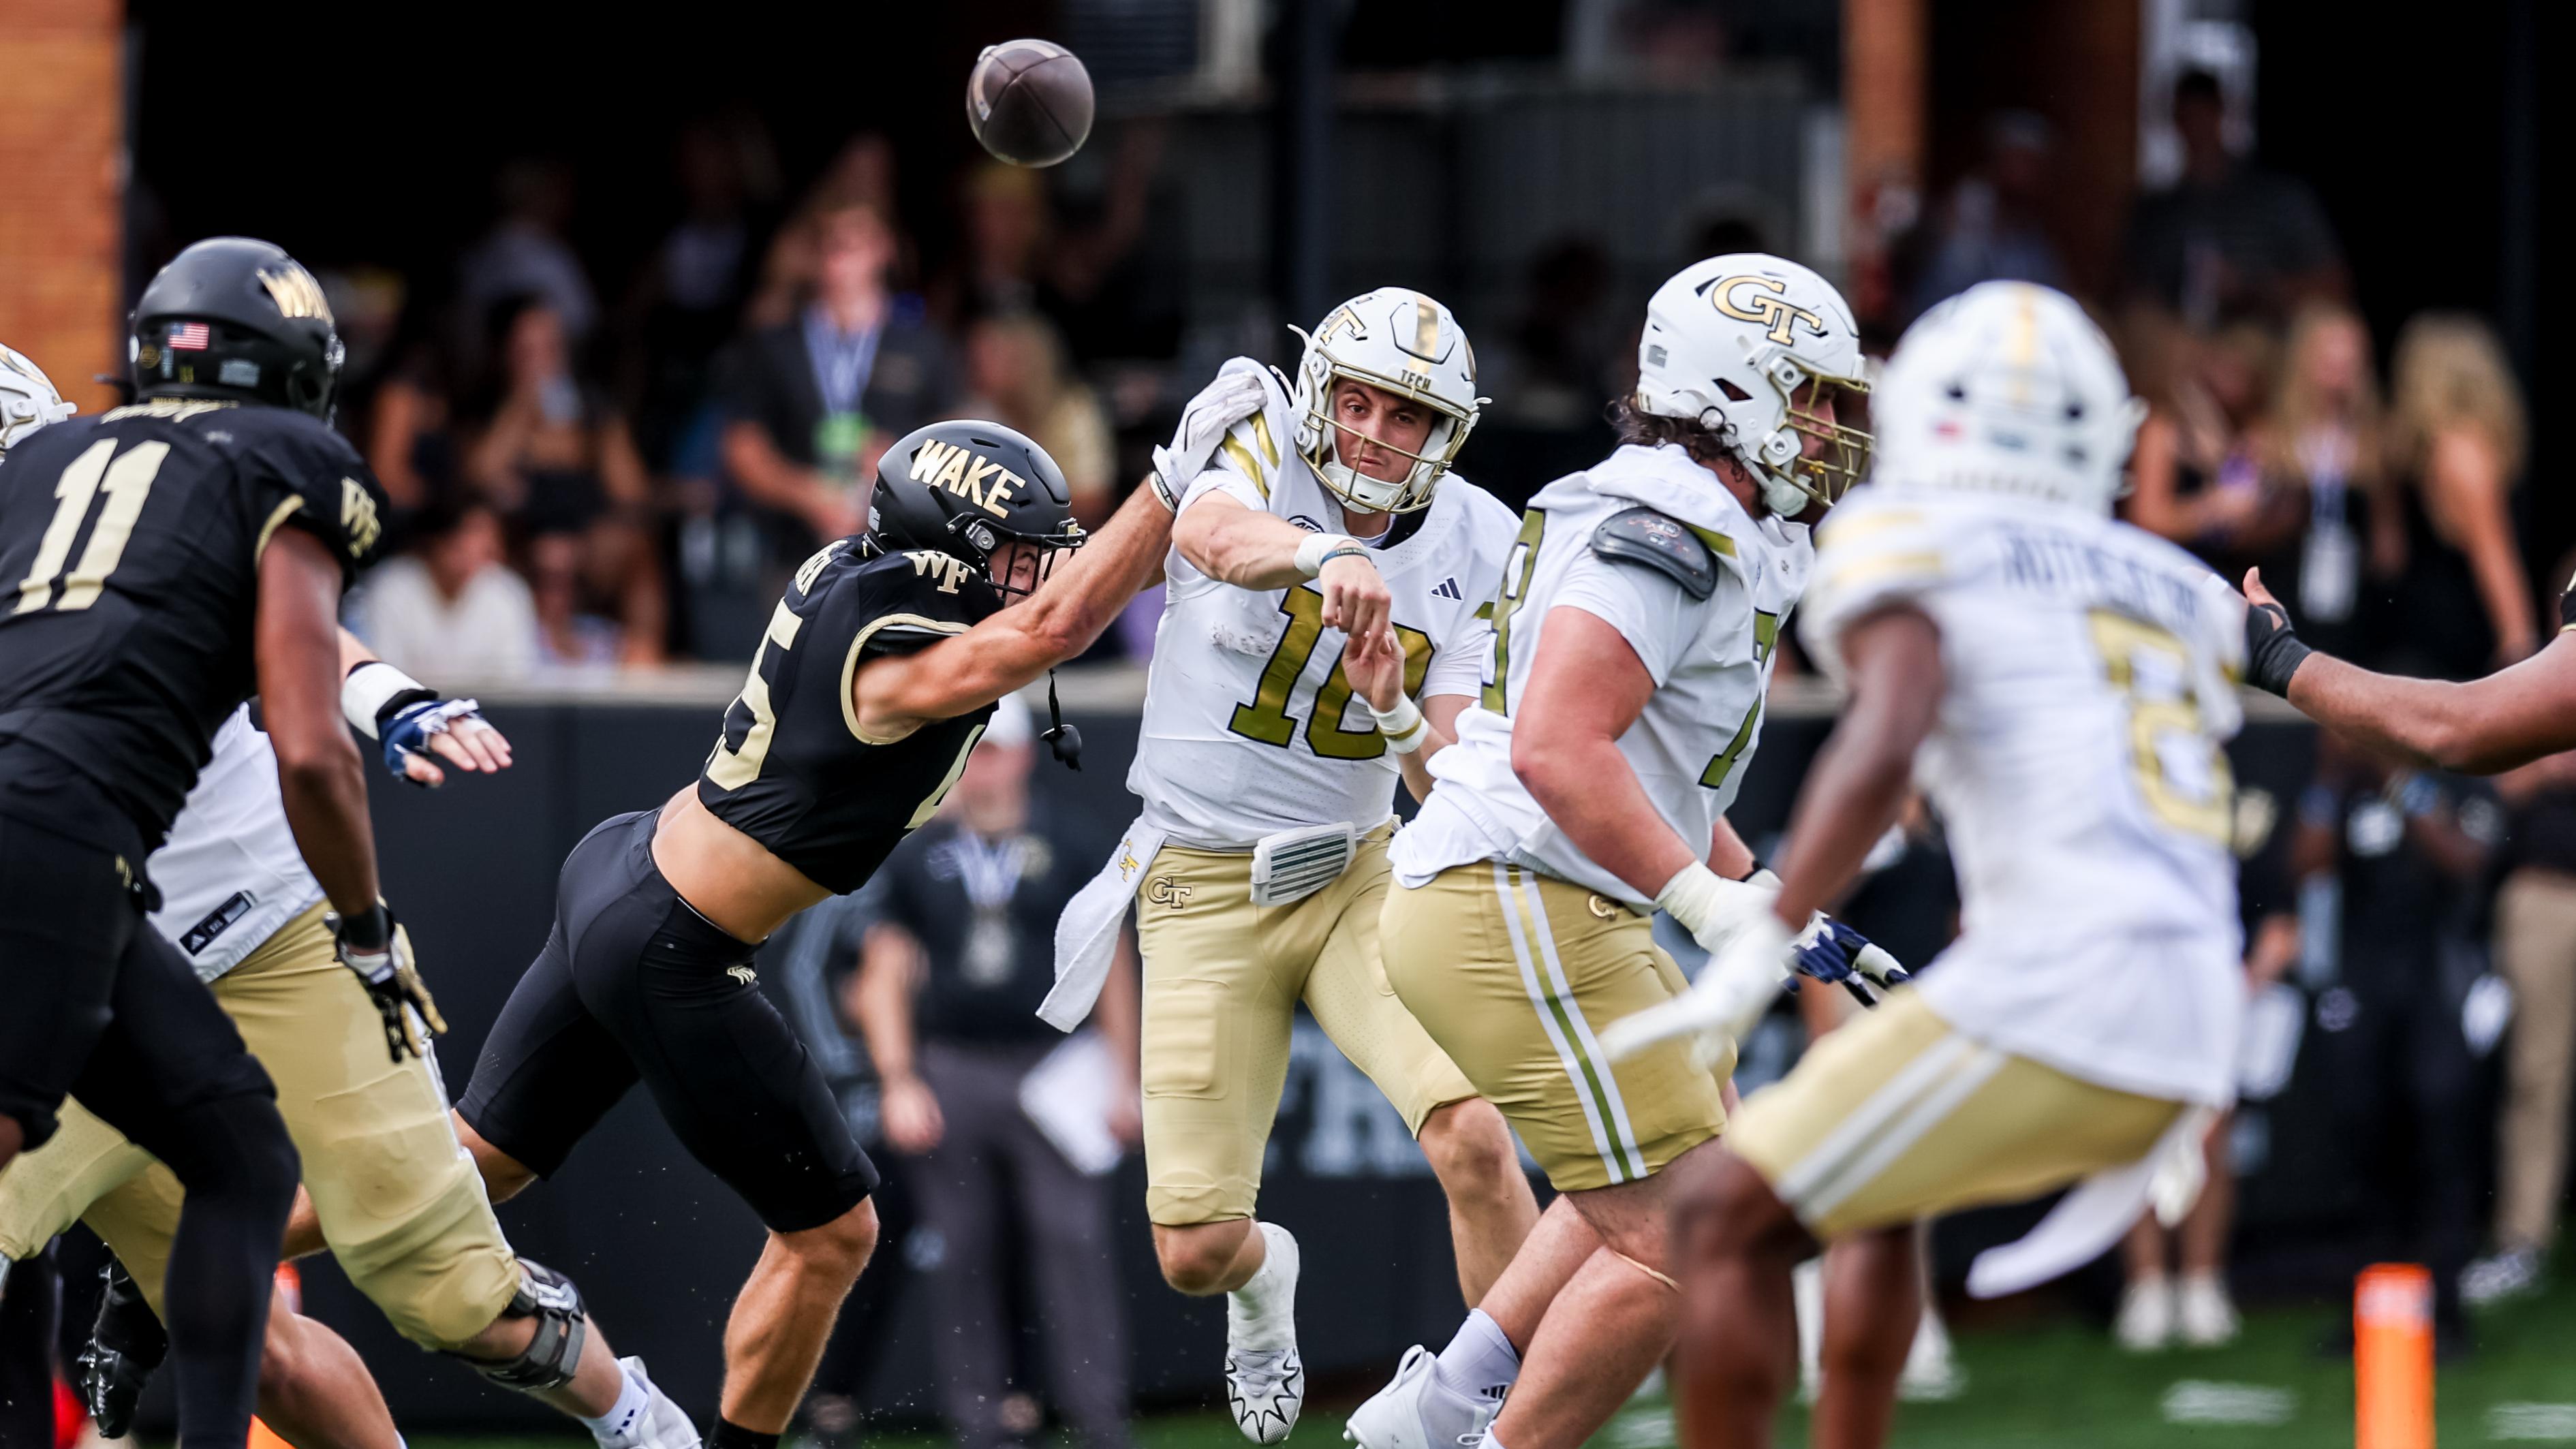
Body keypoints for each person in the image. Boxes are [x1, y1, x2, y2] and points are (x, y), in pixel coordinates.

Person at [450, 418, 1179, 1449]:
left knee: (472, 1166)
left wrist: (1180, 509)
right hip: (677, 937)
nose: (1038, 571)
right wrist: (1170, 481)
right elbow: (1056, 629)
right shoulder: (892, 651)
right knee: (836, 1234)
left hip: (627, 872)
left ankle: (191, 1254)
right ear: (947, 546)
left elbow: (1055, 605)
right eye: (1015, 552)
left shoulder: (864, 573)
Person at [1613, 282, 2246, 1449]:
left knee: (1718, 1215)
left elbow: (1887, 731)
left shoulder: (1915, 541)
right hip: (2185, 982)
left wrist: (1771, 928)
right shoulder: (2174, 584)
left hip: (2070, 984)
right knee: (1874, 1187)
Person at [1341, 255, 1884, 1449]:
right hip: (1514, 891)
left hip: (1546, 893)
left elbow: (1654, 768)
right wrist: (1699, 898)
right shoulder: (1667, 518)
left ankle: (1437, 1405)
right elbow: (1557, 749)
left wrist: (1764, 893)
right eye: (1812, 398)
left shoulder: (1702, 512)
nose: (1832, 427)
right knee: (1703, 1233)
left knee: (1695, 1169)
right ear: (1734, 390)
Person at [1045, 288, 1539, 1445]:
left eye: (1404, 415)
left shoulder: (1482, 542)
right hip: (1199, 884)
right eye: (1355, 401)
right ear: (1319, 392)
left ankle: (1503, 1416)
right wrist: (1322, 552)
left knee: (1473, 1130)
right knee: (1195, 1249)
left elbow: (1447, 780)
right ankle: (1268, 1284)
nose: (1370, 432)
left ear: (1447, 434)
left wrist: (1402, 716)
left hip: (1359, 877)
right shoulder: (1257, 428)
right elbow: (1207, 530)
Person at [0, 639, 696, 1448]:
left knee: (454, 1293)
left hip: (270, 937)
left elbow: (279, 610)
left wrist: (385, 697)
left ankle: (642, 1427)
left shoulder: (103, 526)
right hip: (68, 984)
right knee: (248, 1346)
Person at [0, 238, 392, 1449]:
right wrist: (368, 929)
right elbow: (312, 743)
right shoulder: (266, 463)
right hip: (55, 833)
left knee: (239, 1152)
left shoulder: (56, 472)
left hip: (83, 862)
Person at [848, 696, 1139, 1449]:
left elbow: (1110, 968)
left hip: (1053, 1063)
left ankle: (1098, 1419)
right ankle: (980, 1423)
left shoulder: (1072, 843)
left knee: (1071, 1239)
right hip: (954, 1064)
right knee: (962, 1244)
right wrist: (899, 1078)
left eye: (996, 749)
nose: (983, 765)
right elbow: (882, 972)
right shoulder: (918, 855)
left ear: (1023, 755)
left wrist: (1124, 1077)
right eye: (970, 750)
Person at [719, 202, 957, 562]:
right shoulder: (775, 345)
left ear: (885, 248)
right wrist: (805, 492)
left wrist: (906, 463)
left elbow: (962, 441)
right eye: (829, 242)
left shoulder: (923, 345)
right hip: (791, 550)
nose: (839, 256)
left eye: (854, 242)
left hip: (903, 551)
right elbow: (742, 446)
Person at [461, 294, 666, 666]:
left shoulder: (594, 412)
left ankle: (643, 662)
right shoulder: (490, 408)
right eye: (528, 351)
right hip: (517, 542)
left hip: (586, 542)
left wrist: (596, 441)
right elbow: (477, 478)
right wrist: (520, 413)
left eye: (550, 349)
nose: (542, 361)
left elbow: (633, 493)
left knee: (639, 551)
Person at [2466, 748, 2576, 1305]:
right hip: (2545, 891)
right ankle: (2521, 1242)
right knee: (2536, 1075)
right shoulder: (2545, 668)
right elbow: (2503, 774)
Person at [2373, 313, 2534, 676]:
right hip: (2446, 637)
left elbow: (2389, 556)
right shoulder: (2450, 451)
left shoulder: (2437, 452)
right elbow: (2492, 554)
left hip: (2430, 639)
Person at [2121, 69, 2345, 329]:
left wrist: (2252, 288)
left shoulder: (2277, 199)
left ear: (2221, 114)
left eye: (2204, 113)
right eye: (2188, 116)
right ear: (2175, 120)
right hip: (2178, 349)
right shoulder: (2156, 212)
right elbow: (2128, 298)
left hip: (2264, 347)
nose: (2197, 126)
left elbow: (2333, 285)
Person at [354, 497, 543, 681]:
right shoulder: (391, 589)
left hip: (486, 712)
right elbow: (384, 676)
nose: (485, 545)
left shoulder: (507, 592)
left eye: (490, 537)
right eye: (470, 533)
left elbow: (517, 681)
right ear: (438, 541)